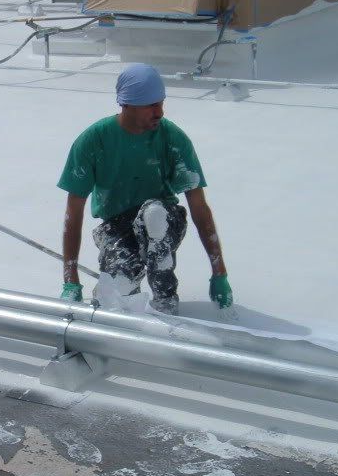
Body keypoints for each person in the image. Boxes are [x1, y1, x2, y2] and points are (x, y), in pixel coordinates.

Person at [57, 63, 232, 314]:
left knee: (154, 215)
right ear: (127, 104)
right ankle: (124, 310)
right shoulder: (93, 142)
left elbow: (199, 207)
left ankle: (165, 302)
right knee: (117, 289)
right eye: (151, 105)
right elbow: (72, 215)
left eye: (160, 103)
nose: (159, 112)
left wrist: (219, 272)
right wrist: (70, 280)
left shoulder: (173, 139)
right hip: (117, 225)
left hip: (164, 219)